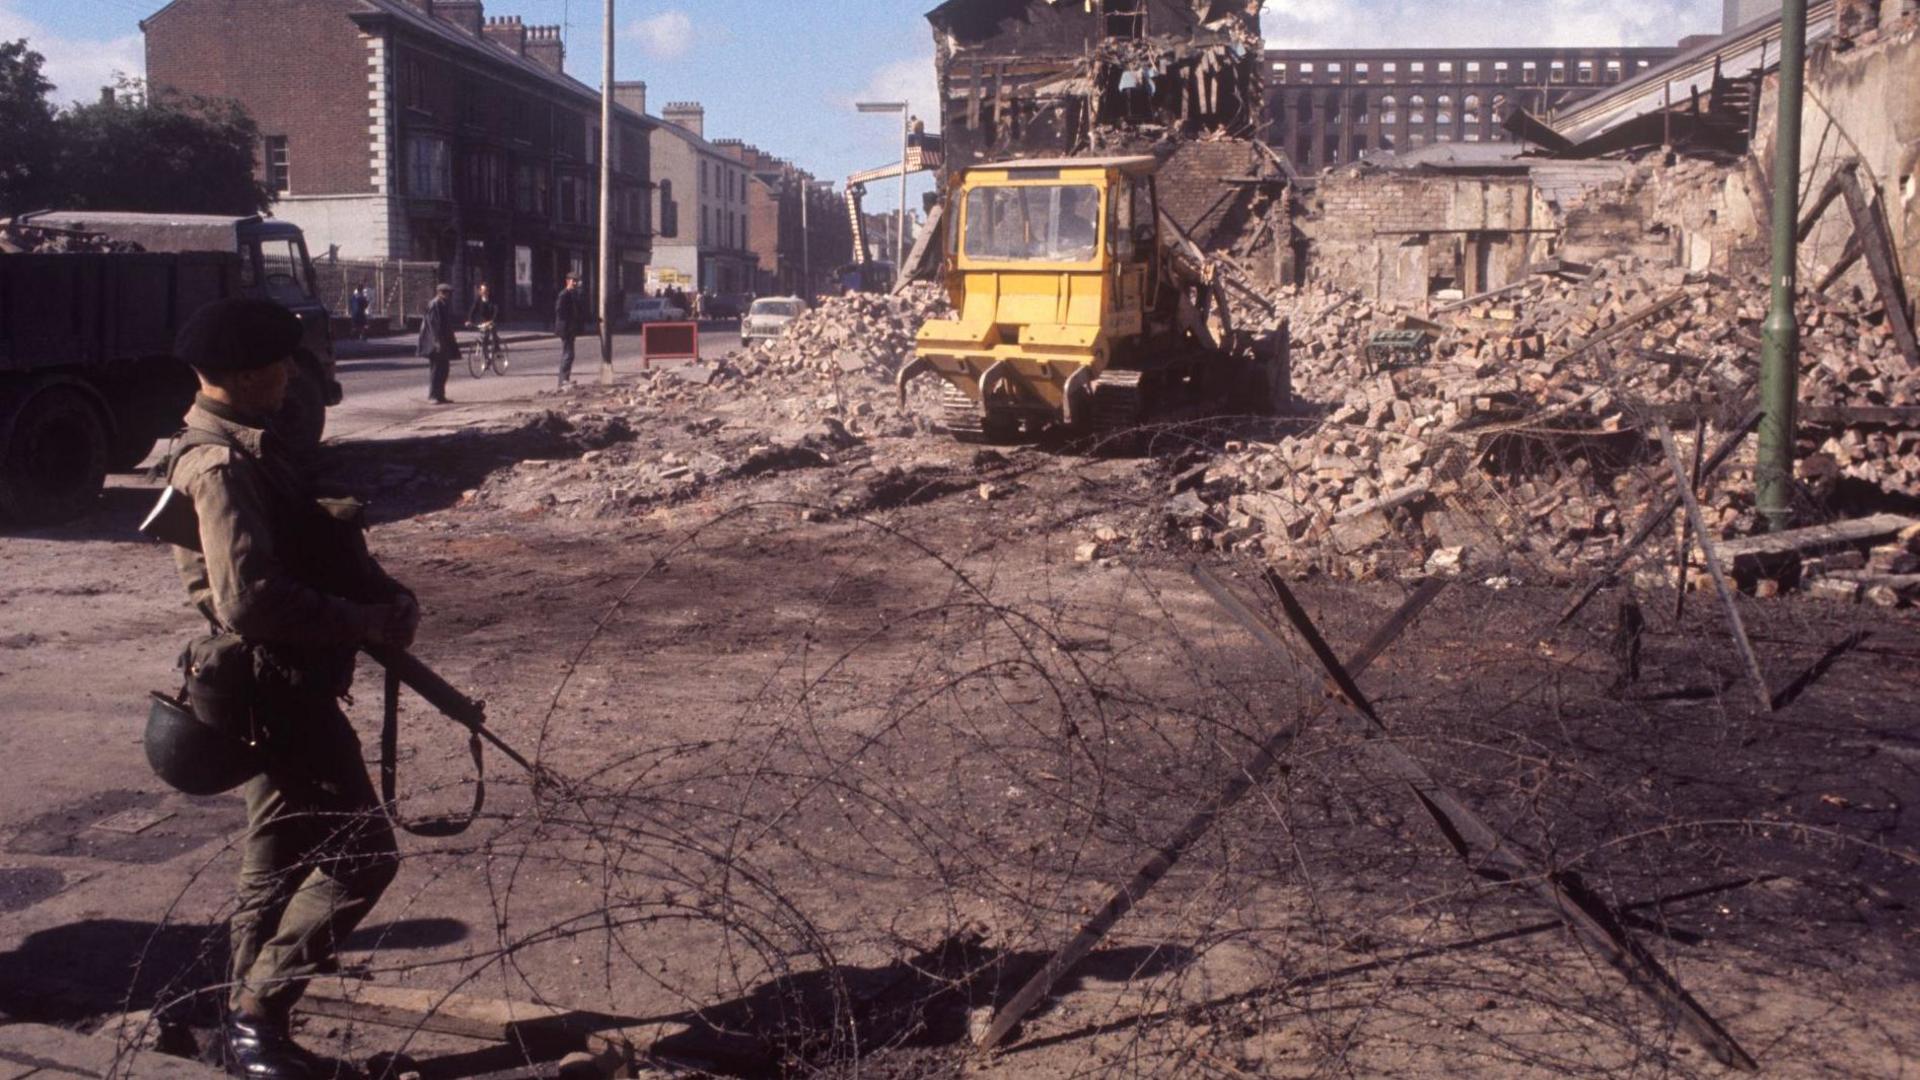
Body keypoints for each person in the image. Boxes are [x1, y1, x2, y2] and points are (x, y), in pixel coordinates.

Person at [165, 297, 417, 1079]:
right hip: (276, 687)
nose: (291, 376)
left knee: (274, 861)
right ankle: (257, 1015)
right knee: (364, 856)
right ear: (244, 375)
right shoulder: (220, 464)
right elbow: (250, 600)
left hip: (282, 682)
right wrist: (361, 622)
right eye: (280, 364)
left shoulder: (249, 445)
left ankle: (237, 1007)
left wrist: (373, 593)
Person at [417, 283, 458, 404]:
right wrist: (436, 342)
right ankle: (433, 395)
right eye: (447, 293)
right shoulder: (435, 304)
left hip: (443, 341)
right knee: (436, 370)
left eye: (449, 293)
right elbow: (433, 325)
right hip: (435, 342)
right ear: (440, 293)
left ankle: (441, 395)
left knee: (444, 369)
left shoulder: (443, 304)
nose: (449, 295)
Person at [553, 273, 584, 387]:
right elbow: (559, 310)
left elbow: (579, 311)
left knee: (569, 354)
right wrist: (567, 321)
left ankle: (565, 379)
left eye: (576, 281)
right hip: (565, 329)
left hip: (570, 329)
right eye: (573, 281)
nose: (575, 283)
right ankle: (563, 380)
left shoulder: (573, 294)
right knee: (568, 354)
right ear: (567, 281)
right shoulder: (564, 294)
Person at [465, 282, 499, 356]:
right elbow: (472, 310)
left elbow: (496, 311)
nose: (485, 293)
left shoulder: (493, 299)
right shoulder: (478, 300)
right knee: (484, 339)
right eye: (483, 291)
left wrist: (492, 321)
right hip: (482, 321)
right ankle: (486, 359)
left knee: (493, 333)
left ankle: (496, 349)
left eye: (486, 291)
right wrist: (469, 320)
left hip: (491, 320)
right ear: (480, 291)